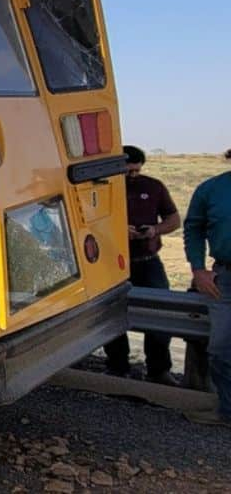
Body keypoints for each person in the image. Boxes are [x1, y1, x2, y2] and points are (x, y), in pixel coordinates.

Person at [103, 145, 181, 383]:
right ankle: (117, 367)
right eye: (127, 172)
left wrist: (155, 230)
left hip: (148, 261)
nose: (132, 176)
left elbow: (174, 219)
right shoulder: (101, 188)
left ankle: (158, 370)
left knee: (159, 313)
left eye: (136, 171)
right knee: (111, 315)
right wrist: (116, 230)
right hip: (111, 263)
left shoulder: (153, 186)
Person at [183, 148, 231, 426]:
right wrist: (198, 269)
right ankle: (227, 412)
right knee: (222, 349)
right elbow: (193, 228)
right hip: (224, 280)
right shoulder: (211, 189)